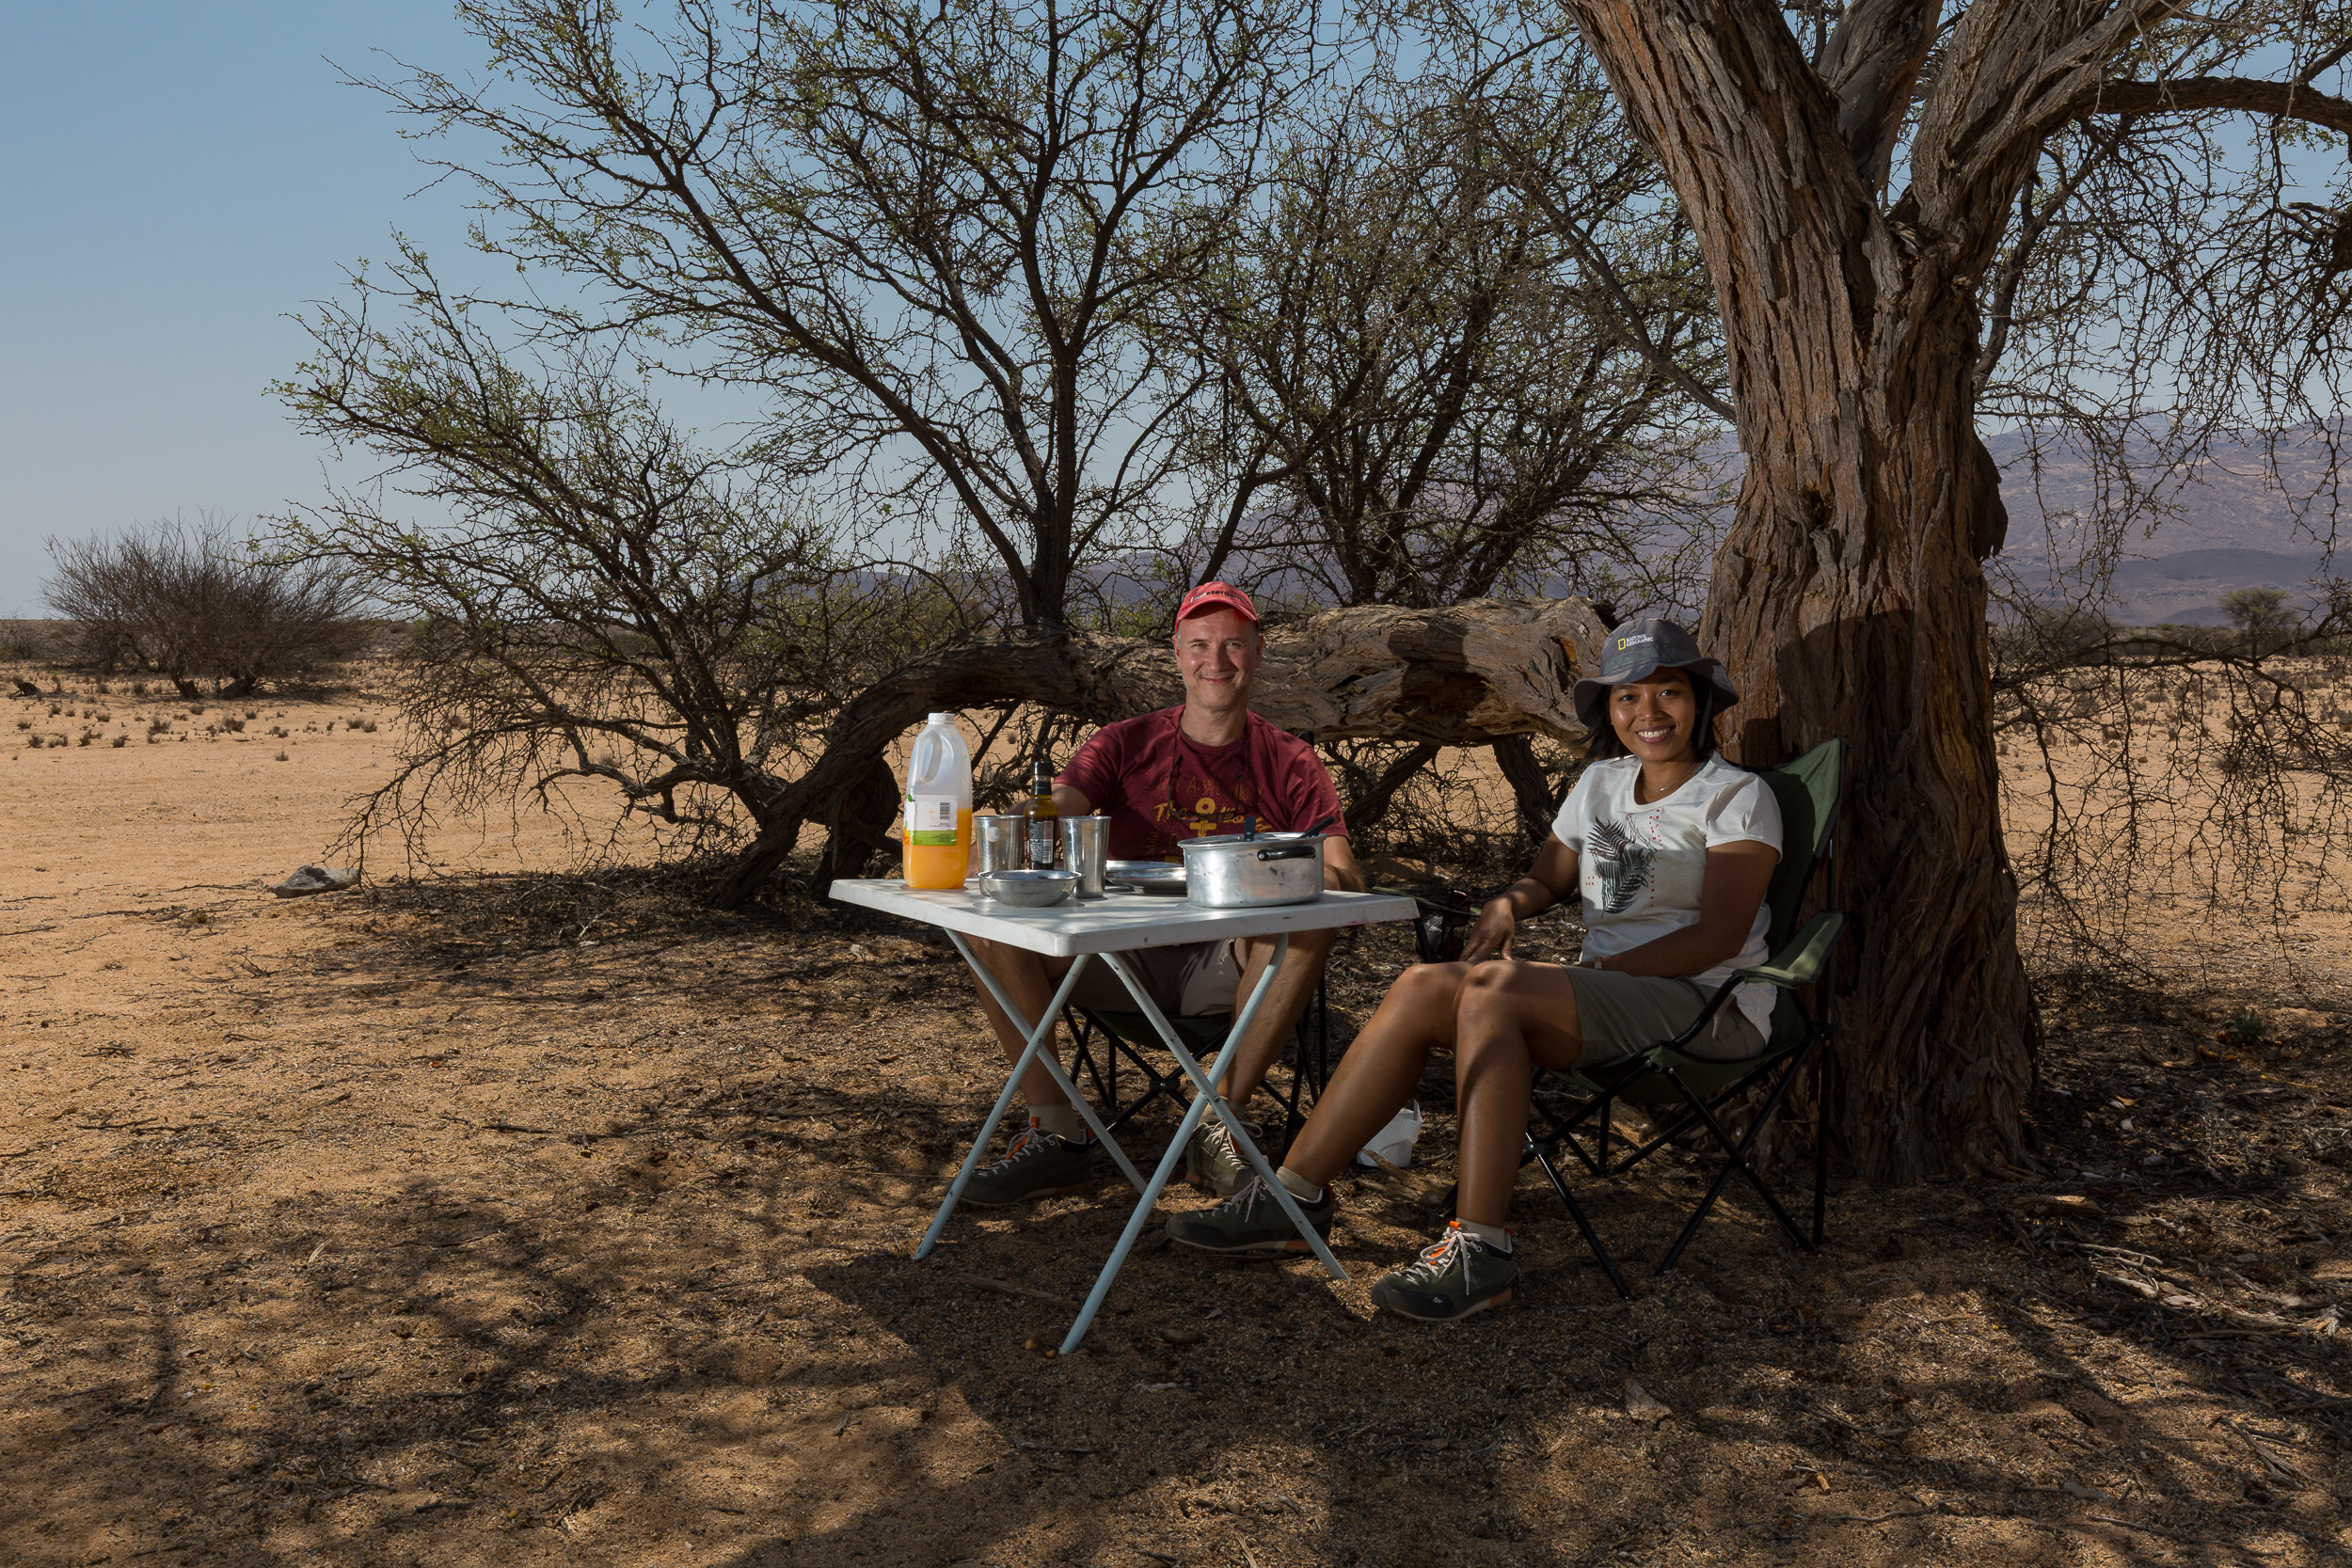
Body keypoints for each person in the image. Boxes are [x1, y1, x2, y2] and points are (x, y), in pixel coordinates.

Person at [1164, 617, 1782, 1322]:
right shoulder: (1601, 783)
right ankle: (1291, 1198)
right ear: (1609, 710)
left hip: (1706, 1003)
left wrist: (1600, 970)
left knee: (1493, 989)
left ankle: (1481, 1249)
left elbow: (1718, 936)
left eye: (1668, 692)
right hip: (1611, 994)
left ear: (1699, 699)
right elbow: (1547, 879)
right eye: (1627, 697)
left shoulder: (1734, 796)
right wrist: (1508, 905)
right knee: (1421, 987)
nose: (1649, 712)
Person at [956, 581, 1366, 1206]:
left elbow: (1344, 876)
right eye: (1199, 644)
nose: (1215, 661)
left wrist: (1272, 870)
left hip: (1226, 965)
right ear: (1177, 653)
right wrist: (1011, 827)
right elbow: (1061, 805)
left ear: (1257, 653)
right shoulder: (1124, 743)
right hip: (1119, 957)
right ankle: (1057, 1132)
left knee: (1304, 927)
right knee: (989, 930)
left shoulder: (1291, 761)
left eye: (1233, 644)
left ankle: (1219, 1124)